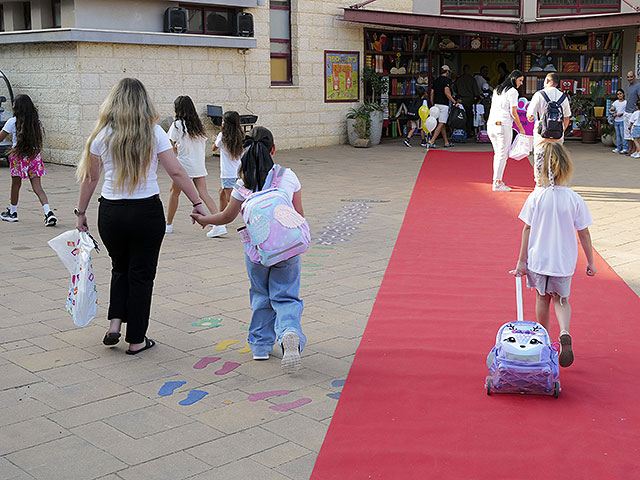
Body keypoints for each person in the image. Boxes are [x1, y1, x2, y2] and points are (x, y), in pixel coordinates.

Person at [75, 78, 207, 354]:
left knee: (119, 267)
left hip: (111, 212)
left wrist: (81, 212)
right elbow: (176, 172)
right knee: (142, 274)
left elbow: (90, 178)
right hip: (146, 212)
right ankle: (136, 339)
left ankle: (114, 324)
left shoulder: (101, 135)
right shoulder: (154, 133)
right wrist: (197, 202)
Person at [191, 126, 307, 373]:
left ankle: (260, 347)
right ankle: (289, 333)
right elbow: (298, 216)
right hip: (287, 248)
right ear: (273, 150)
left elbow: (226, 216)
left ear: (245, 151)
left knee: (260, 295)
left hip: (257, 252)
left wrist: (204, 219)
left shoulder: (243, 183)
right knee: (285, 295)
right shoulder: (288, 176)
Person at [514, 142, 596, 368]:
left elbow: (527, 229)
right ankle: (565, 332)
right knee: (561, 300)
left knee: (542, 298)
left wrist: (522, 261)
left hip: (539, 259)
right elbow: (584, 232)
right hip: (563, 260)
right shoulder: (573, 198)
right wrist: (590, 261)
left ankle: (544, 339)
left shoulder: (536, 197)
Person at [165, 95, 224, 237]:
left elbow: (168, 143)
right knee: (203, 193)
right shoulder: (198, 125)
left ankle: (169, 224)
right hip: (198, 164)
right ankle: (219, 223)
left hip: (183, 164)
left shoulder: (178, 124)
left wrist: (175, 149)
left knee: (174, 193)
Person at [0, 94, 57, 225]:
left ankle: (13, 212)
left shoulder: (12, 122)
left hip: (18, 157)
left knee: (16, 185)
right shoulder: (36, 122)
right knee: (38, 187)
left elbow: (1, 137)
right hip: (34, 156)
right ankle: (48, 212)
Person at [526, 72, 571, 184]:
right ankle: (555, 183)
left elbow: (529, 115)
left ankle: (540, 183)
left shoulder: (539, 95)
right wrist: (562, 130)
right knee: (556, 159)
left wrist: (533, 118)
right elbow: (567, 117)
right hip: (557, 135)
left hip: (541, 134)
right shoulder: (563, 97)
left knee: (539, 158)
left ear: (547, 81)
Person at [487, 70, 525, 192]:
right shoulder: (513, 92)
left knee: (498, 154)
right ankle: (497, 183)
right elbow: (514, 113)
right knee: (502, 155)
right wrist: (521, 128)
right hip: (503, 126)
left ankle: (497, 180)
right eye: (520, 80)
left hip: (491, 124)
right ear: (514, 79)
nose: (521, 83)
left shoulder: (497, 89)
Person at [212, 111, 244, 228]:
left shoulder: (222, 136)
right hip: (238, 172)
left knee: (231, 201)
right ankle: (220, 219)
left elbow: (214, 148)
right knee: (221, 193)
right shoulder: (241, 135)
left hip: (227, 173)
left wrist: (214, 139)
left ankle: (222, 225)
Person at [428, 65, 460, 148]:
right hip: (443, 105)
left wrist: (432, 103)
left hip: (436, 105)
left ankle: (446, 142)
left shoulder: (436, 81)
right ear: (447, 72)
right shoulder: (447, 81)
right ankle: (431, 141)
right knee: (442, 123)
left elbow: (431, 93)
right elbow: (447, 93)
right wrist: (454, 102)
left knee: (441, 124)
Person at [454, 64, 480, 134]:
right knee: (469, 116)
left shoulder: (459, 79)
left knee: (460, 116)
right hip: (469, 100)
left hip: (461, 100)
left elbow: (455, 89)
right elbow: (476, 91)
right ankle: (469, 130)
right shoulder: (472, 79)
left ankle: (461, 130)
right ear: (468, 70)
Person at [623, 71, 640, 155]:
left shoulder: (638, 85)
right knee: (627, 132)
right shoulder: (628, 86)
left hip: (634, 112)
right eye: (628, 77)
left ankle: (634, 149)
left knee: (633, 133)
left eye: (631, 77)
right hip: (627, 111)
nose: (629, 78)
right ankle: (629, 149)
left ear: (634, 76)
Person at [609, 88, 627, 154]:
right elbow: (610, 110)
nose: (619, 95)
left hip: (622, 120)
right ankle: (618, 147)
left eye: (620, 94)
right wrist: (613, 113)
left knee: (623, 135)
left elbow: (627, 111)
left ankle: (625, 148)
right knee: (618, 135)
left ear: (623, 94)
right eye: (618, 94)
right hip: (616, 120)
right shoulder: (615, 102)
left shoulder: (626, 102)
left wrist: (622, 114)